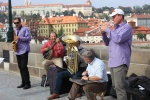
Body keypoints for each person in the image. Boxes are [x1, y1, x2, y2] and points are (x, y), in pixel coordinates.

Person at [100, 9, 133, 100]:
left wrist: (107, 29)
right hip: (113, 61)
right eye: (112, 16)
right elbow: (107, 43)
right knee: (115, 86)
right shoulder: (114, 29)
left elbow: (118, 39)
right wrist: (103, 34)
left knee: (119, 87)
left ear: (120, 16)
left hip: (120, 61)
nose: (112, 18)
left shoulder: (127, 28)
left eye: (114, 16)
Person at [47, 35, 87, 100]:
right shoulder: (71, 50)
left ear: (78, 42)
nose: (72, 43)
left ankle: (78, 92)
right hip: (73, 68)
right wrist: (66, 59)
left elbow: (85, 61)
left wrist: (78, 55)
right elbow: (70, 62)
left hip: (81, 69)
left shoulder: (83, 50)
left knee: (75, 77)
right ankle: (56, 93)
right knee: (60, 75)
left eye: (74, 42)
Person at [13, 17, 31, 89]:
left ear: (20, 22)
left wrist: (20, 37)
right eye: (15, 23)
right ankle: (23, 82)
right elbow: (15, 39)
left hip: (24, 50)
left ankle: (28, 83)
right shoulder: (15, 30)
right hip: (18, 50)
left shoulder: (25, 29)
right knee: (20, 67)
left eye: (17, 23)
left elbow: (29, 38)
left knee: (24, 67)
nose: (16, 24)